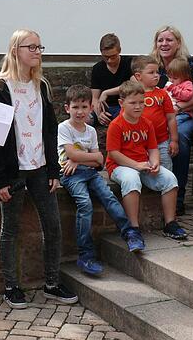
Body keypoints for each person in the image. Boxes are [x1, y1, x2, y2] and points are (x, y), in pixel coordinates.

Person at [0, 29, 78, 309]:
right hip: (14, 170)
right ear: (15, 50)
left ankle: (51, 283)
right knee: (10, 229)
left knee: (52, 225)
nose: (38, 52)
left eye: (40, 47)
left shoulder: (42, 86)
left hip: (40, 167)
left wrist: (54, 170)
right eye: (32, 47)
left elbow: (49, 131)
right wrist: (0, 180)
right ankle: (12, 287)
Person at [58, 85, 142, 277]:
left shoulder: (91, 131)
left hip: (90, 172)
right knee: (85, 204)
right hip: (71, 174)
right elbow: (74, 154)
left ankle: (130, 233)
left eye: (84, 107)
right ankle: (86, 254)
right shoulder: (64, 128)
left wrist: (80, 158)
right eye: (75, 107)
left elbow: (100, 159)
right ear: (67, 108)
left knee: (109, 198)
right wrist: (81, 157)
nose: (80, 112)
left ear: (90, 108)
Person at [105, 80, 186, 243]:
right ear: (121, 103)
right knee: (131, 179)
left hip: (143, 164)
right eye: (133, 103)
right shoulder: (116, 125)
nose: (138, 106)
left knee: (170, 179)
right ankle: (133, 228)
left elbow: (153, 148)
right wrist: (136, 165)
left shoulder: (147, 124)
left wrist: (155, 162)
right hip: (119, 166)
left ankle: (170, 223)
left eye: (141, 102)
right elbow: (113, 153)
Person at [151, 26, 193, 215]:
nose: (164, 44)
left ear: (178, 43)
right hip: (163, 116)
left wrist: (177, 109)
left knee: (179, 136)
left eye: (169, 40)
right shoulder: (153, 66)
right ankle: (155, 192)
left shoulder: (191, 64)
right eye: (160, 40)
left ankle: (178, 197)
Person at [131, 56, 177, 171]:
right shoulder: (132, 96)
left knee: (166, 170)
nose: (156, 75)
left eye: (157, 72)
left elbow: (171, 118)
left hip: (161, 142)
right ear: (138, 76)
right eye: (151, 72)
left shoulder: (162, 94)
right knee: (143, 171)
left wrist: (174, 140)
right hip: (138, 143)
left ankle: (167, 188)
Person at [90, 33, 132, 127]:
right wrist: (99, 114)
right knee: (87, 119)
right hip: (105, 108)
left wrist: (106, 92)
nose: (109, 60)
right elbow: (95, 98)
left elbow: (134, 85)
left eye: (113, 56)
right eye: (106, 57)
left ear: (119, 51)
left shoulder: (129, 63)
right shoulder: (97, 68)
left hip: (124, 106)